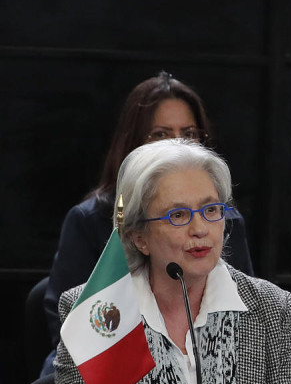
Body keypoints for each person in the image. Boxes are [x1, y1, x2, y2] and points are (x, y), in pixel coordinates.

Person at [54, 140, 291, 384]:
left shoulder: (270, 306)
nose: (200, 229)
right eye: (177, 215)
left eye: (211, 209)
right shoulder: (99, 311)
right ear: (139, 238)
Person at [43, 72, 254, 363]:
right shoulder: (90, 219)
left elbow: (246, 313)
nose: (177, 145)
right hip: (112, 361)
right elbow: (70, 325)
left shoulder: (227, 220)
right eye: (161, 134)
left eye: (189, 134)